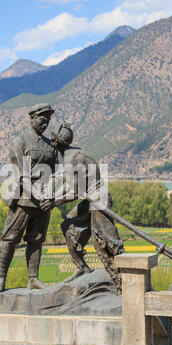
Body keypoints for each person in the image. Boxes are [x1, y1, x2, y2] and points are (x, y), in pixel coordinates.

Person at [40, 124, 124, 293]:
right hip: (90, 199)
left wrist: (53, 203)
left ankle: (123, 281)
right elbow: (71, 184)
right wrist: (52, 196)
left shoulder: (72, 158)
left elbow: (74, 192)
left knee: (106, 241)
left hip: (98, 200)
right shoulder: (72, 153)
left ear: (57, 143)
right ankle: (82, 267)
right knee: (68, 227)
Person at [0, 103, 58, 293]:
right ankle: (0, 280)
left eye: (48, 121)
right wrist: (38, 195)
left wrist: (49, 196)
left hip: (44, 202)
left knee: (36, 239)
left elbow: (55, 173)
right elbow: (22, 175)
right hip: (24, 199)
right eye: (42, 120)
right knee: (9, 239)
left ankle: (33, 278)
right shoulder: (21, 142)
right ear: (33, 118)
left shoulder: (50, 145)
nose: (45, 124)